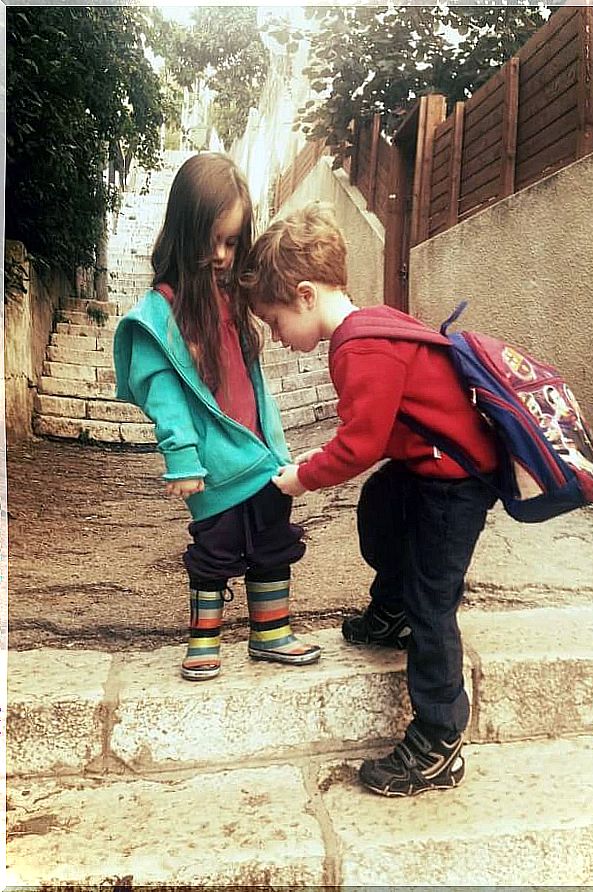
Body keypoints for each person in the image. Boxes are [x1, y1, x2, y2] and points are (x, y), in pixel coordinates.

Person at [239, 202, 499, 797]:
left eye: (276, 322)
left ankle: (439, 739)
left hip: (455, 483)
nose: (278, 338)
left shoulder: (358, 346)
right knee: (381, 506)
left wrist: (300, 477)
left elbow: (360, 443)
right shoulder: (372, 324)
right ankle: (391, 607)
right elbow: (384, 434)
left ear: (305, 295)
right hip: (427, 468)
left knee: (435, 600)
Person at [113, 154, 321, 682]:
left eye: (232, 242)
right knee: (215, 549)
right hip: (210, 461)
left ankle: (270, 632)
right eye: (212, 240)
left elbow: (256, 384)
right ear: (184, 229)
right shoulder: (162, 311)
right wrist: (181, 457)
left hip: (258, 453)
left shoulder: (234, 297)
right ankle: (204, 637)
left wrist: (279, 449)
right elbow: (163, 392)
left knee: (274, 541)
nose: (222, 255)